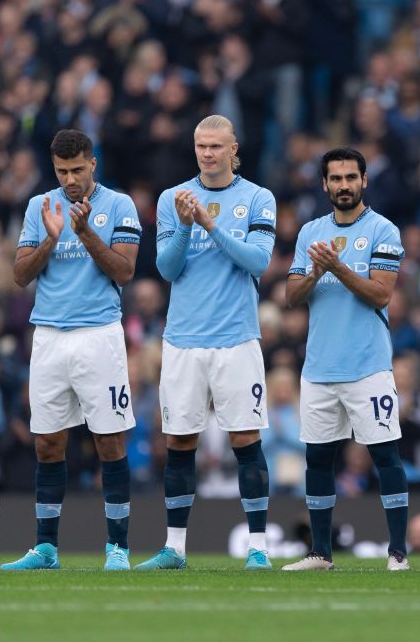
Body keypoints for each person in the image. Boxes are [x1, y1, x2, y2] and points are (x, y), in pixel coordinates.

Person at [136, 115, 277, 571]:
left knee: (245, 438)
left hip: (236, 339)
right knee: (179, 440)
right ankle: (175, 548)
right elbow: (168, 270)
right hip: (183, 340)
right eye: (200, 146)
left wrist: (209, 225)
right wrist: (183, 225)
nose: (208, 154)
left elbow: (257, 261)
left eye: (217, 146)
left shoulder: (257, 198)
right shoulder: (171, 198)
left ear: (235, 149)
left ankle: (258, 545)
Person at [2, 130, 141, 571]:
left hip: (99, 334)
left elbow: (125, 270)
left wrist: (84, 235)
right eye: (62, 171)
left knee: (109, 441)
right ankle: (46, 548)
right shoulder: (40, 206)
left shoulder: (119, 205)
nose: (70, 179)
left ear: (93, 163)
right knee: (47, 442)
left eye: (77, 169)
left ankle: (117, 547)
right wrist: (51, 238)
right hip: (48, 337)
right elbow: (20, 275)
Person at [282, 147, 409, 571]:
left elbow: (382, 293)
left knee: (385, 456)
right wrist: (317, 271)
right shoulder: (309, 233)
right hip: (319, 367)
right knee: (318, 459)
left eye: (350, 178)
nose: (343, 186)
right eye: (335, 179)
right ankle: (320, 552)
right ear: (324, 184)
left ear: (364, 181)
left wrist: (336, 266)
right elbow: (291, 297)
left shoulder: (383, 230)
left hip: (368, 366)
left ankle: (398, 553)